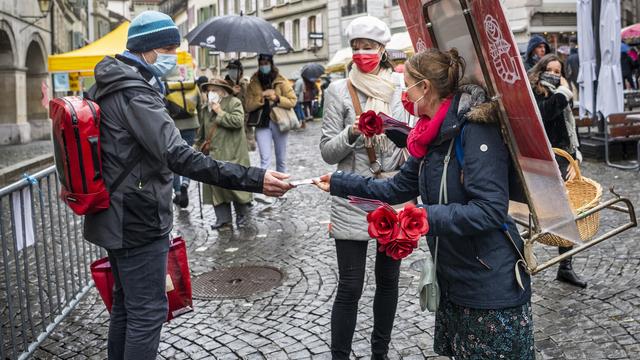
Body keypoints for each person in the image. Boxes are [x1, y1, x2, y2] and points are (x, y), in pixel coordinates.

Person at [85, 11, 293, 359]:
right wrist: (255, 178)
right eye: (168, 48)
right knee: (147, 311)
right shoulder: (135, 94)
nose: (172, 57)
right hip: (136, 216)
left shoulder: (108, 84)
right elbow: (179, 157)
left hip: (115, 211)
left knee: (126, 305)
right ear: (148, 49)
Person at [314, 48, 535, 359]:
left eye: (408, 85)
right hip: (455, 279)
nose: (404, 93)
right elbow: (395, 188)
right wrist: (338, 182)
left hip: (490, 286)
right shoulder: (428, 133)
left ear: (425, 88)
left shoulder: (474, 130)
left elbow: (489, 209)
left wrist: (423, 217)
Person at [319, 15, 407, 360]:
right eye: (355, 48)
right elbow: (328, 152)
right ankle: (339, 354)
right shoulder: (338, 91)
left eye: (367, 48)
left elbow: (412, 145)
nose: (361, 54)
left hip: (393, 195)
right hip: (351, 199)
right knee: (351, 286)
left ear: (382, 49)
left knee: (388, 282)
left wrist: (394, 134)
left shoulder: (401, 87)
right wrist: (353, 132)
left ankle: (379, 352)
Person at [528, 54, 588, 288]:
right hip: (543, 160)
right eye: (550, 69)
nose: (554, 74)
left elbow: (568, 124)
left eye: (558, 70)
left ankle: (565, 266)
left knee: (568, 212)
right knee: (540, 214)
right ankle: (524, 261)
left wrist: (576, 155)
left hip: (565, 158)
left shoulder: (563, 92)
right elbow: (543, 115)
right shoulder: (537, 91)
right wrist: (562, 94)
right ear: (541, 70)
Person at [195, 79, 253, 230]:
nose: (211, 93)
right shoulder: (205, 108)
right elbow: (202, 133)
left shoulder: (234, 102)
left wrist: (220, 112)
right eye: (209, 90)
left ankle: (243, 216)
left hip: (233, 153)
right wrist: (195, 149)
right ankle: (223, 219)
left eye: (214, 89)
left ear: (223, 90)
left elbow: (238, 121)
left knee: (236, 187)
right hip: (214, 155)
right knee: (216, 187)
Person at [245, 54, 297, 173]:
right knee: (265, 159)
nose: (264, 66)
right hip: (261, 123)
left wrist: (276, 98)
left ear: (271, 64)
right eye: (261, 64)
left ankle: (280, 185)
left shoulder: (281, 80)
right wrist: (261, 97)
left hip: (279, 122)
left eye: (266, 63)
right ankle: (264, 186)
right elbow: (248, 106)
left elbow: (293, 101)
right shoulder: (253, 82)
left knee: (281, 159)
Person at [164, 71, 200, 208]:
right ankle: (186, 183)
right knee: (189, 156)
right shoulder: (192, 86)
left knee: (174, 159)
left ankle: (178, 192)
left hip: (175, 127)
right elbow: (200, 106)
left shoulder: (166, 86)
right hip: (192, 125)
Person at [224, 60, 256, 151]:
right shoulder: (224, 85)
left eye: (234, 69)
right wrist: (232, 93)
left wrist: (244, 88)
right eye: (230, 69)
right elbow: (221, 104)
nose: (231, 71)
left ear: (240, 71)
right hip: (230, 122)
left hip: (245, 123)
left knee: (245, 151)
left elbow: (250, 103)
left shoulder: (246, 84)